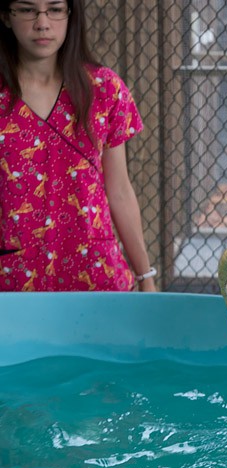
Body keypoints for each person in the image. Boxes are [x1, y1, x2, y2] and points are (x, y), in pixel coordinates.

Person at [0, 0, 156, 292]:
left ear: (70, 15)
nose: (42, 23)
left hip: (95, 274)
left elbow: (120, 189)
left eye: (55, 9)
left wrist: (145, 276)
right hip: (14, 281)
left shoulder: (104, 89)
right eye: (27, 9)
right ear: (6, 16)